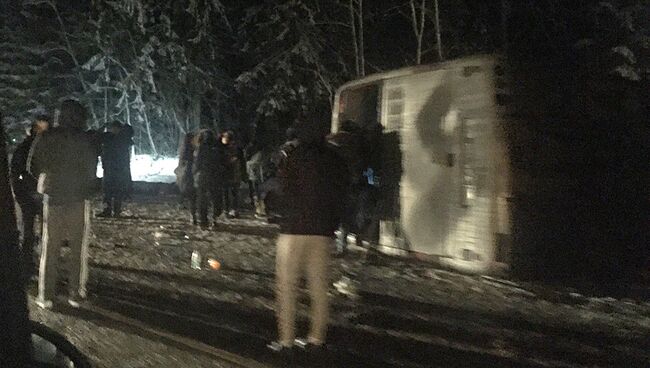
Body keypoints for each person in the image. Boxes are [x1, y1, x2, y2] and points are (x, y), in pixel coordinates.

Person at [267, 119, 349, 355]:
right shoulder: (334, 160)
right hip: (322, 232)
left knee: (287, 287)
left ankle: (286, 342)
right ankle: (316, 339)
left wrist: (277, 209)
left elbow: (282, 189)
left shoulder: (293, 158)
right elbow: (341, 193)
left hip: (293, 230)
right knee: (319, 287)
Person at [28, 100, 98, 309]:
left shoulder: (47, 137)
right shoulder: (86, 139)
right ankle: (75, 293)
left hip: (54, 197)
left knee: (50, 247)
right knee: (78, 248)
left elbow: (32, 165)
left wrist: (47, 178)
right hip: (78, 198)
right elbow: (92, 169)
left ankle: (46, 295)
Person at [10, 115, 50, 278]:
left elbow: (15, 171)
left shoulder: (25, 146)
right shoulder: (45, 146)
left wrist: (19, 192)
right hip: (37, 194)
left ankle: (28, 265)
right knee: (42, 231)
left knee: (29, 230)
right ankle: (39, 265)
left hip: (28, 194)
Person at [326, 120, 365, 255]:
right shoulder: (356, 143)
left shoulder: (329, 139)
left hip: (329, 182)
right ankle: (342, 246)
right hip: (348, 183)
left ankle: (324, 245)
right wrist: (371, 183)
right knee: (345, 216)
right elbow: (363, 165)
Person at [98, 122, 133, 217]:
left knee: (116, 191)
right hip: (111, 168)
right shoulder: (110, 138)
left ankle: (114, 210)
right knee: (108, 192)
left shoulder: (121, 138)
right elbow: (97, 136)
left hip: (117, 169)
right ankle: (108, 210)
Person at [192, 129, 223, 228]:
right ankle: (214, 218)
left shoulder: (200, 149)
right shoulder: (216, 149)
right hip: (214, 176)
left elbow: (197, 163)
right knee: (215, 198)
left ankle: (203, 220)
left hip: (202, 177)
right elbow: (219, 163)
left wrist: (194, 172)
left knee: (202, 199)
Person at [219, 130, 243, 218]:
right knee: (233, 192)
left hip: (228, 173)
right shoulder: (237, 148)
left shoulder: (225, 148)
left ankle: (228, 210)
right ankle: (234, 210)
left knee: (227, 192)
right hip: (234, 173)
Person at [175, 132, 197, 223]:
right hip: (188, 174)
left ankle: (181, 203)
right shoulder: (189, 150)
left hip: (185, 174)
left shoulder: (185, 149)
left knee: (185, 191)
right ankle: (193, 215)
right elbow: (187, 163)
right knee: (191, 194)